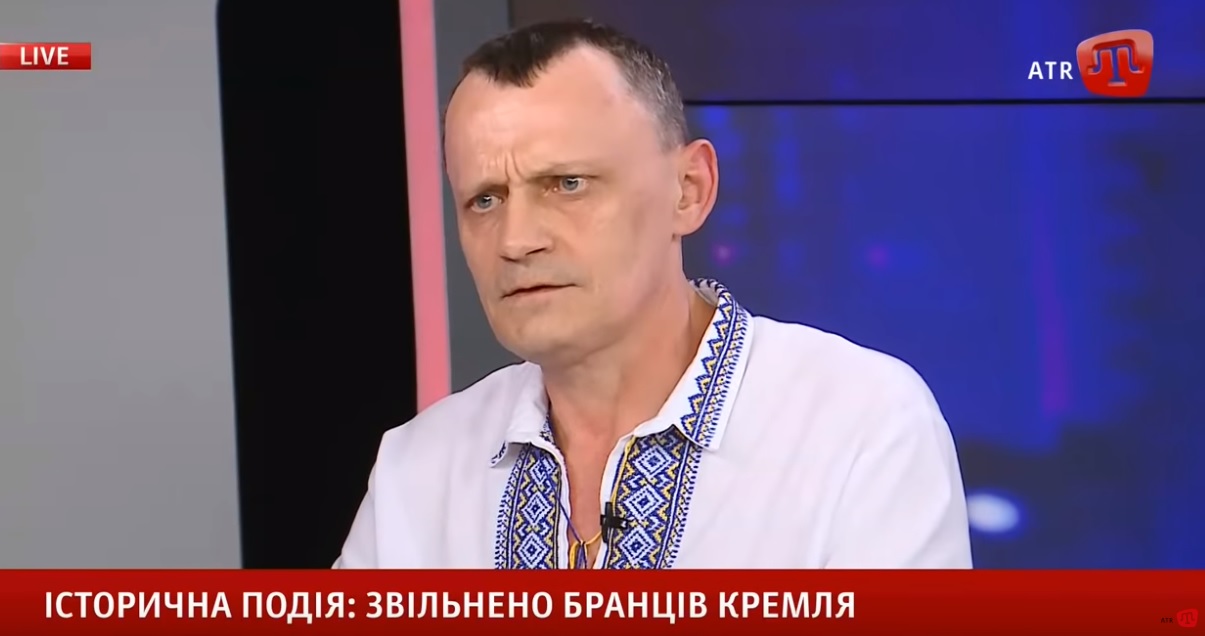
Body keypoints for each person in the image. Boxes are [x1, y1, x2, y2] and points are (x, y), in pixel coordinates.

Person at [335, 19, 972, 569]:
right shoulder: (416, 471)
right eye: (485, 200)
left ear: (689, 190)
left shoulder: (862, 427)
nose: (516, 239)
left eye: (567, 184)